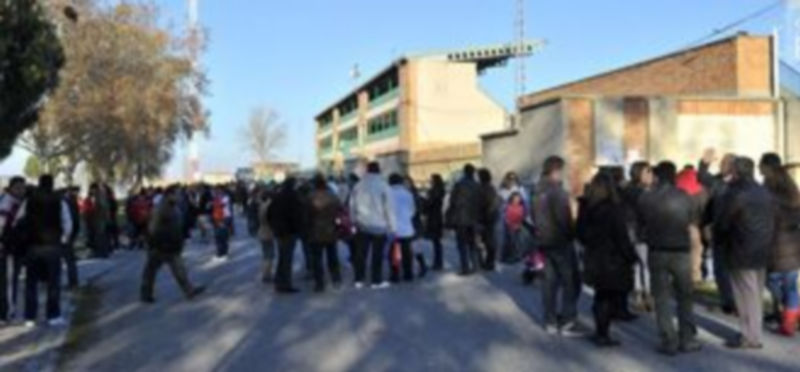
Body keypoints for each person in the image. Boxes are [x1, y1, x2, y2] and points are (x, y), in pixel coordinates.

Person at [638, 162, 700, 355]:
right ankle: (687, 338)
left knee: (662, 297)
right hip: (681, 250)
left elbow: (641, 225)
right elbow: (691, 222)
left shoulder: (646, 198)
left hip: (657, 250)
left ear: (656, 176)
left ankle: (668, 339)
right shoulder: (686, 197)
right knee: (685, 295)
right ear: (674, 176)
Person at [715, 157, 776, 349]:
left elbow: (725, 222)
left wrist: (719, 235)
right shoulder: (764, 191)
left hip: (742, 248)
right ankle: (754, 333)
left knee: (744, 296)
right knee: (755, 294)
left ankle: (749, 337)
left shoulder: (736, 193)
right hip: (763, 247)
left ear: (737, 171)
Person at [577, 173, 637, 347]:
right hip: (612, 259)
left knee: (600, 295)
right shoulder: (613, 209)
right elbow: (621, 237)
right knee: (608, 297)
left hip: (594, 257)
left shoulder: (586, 207)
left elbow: (580, 234)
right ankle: (603, 334)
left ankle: (600, 332)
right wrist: (630, 256)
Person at [533, 156, 583, 336]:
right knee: (571, 281)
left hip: (543, 241)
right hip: (560, 241)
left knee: (549, 283)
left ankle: (550, 320)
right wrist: (573, 234)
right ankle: (568, 320)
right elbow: (565, 219)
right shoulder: (557, 192)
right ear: (556, 170)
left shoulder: (537, 191)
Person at [13, 175, 72, 327]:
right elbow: (67, 224)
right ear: (52, 185)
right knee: (53, 282)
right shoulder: (60, 201)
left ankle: (30, 316)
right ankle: (53, 315)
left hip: (33, 247)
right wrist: (63, 240)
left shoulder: (29, 201)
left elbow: (18, 220)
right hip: (53, 246)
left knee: (31, 283)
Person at [140, 186, 205, 303]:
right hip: (160, 247)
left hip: (172, 247)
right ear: (169, 195)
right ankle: (146, 294)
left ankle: (189, 290)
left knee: (180, 270)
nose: (179, 197)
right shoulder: (161, 208)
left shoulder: (174, 207)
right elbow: (153, 228)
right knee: (150, 271)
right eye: (176, 194)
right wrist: (155, 243)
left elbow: (177, 226)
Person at [759, 153, 800, 336]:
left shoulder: (769, 189)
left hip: (776, 243)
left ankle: (789, 316)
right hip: (792, 242)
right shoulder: (791, 187)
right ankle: (790, 314)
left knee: (774, 280)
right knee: (789, 282)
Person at [698, 149, 738, 314]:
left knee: (734, 269)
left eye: (726, 163)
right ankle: (728, 300)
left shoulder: (741, 183)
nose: (722, 166)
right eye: (721, 162)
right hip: (718, 229)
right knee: (720, 268)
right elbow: (702, 177)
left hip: (736, 232)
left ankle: (735, 301)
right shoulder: (717, 181)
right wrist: (704, 164)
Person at [349, 162, 395, 289]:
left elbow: (352, 205)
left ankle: (359, 280)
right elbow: (389, 208)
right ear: (379, 170)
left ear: (367, 171)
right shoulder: (384, 185)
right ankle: (376, 280)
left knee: (361, 254)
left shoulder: (358, 185)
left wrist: (353, 221)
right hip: (379, 226)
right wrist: (392, 226)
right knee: (377, 254)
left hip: (362, 224)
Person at [622, 162, 653, 312]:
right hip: (640, 232)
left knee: (638, 265)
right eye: (648, 172)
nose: (651, 175)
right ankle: (645, 294)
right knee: (645, 265)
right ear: (639, 174)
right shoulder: (641, 193)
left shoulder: (628, 190)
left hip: (633, 232)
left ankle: (640, 294)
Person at [306, 175, 343, 292]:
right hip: (331, 229)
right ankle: (336, 278)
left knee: (317, 258)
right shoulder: (333, 196)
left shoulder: (309, 197)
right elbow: (340, 210)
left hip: (315, 231)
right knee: (332, 255)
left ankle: (319, 283)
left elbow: (305, 216)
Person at [268, 177, 305, 293]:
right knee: (287, 259)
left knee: (281, 257)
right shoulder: (294, 197)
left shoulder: (277, 196)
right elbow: (298, 215)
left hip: (279, 232)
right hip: (289, 232)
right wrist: (299, 230)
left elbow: (269, 213)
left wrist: (274, 227)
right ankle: (285, 284)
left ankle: (279, 281)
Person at [447, 164, 482, 275]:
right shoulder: (477, 185)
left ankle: (465, 267)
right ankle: (475, 265)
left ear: (464, 172)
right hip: (474, 218)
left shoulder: (459, 185)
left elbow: (453, 202)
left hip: (461, 219)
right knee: (472, 243)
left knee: (462, 244)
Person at [0, 176, 26, 324]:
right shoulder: (7, 203)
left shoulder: (16, 202)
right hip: (7, 249)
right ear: (11, 188)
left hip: (13, 248)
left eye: (23, 188)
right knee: (9, 282)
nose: (21, 190)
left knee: (10, 281)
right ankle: (6, 313)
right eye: (18, 188)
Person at [676, 166, 708, 284]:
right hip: (694, 226)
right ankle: (695, 277)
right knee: (696, 253)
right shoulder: (701, 190)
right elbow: (704, 209)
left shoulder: (675, 186)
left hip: (675, 226)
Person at [388, 174, 417, 282]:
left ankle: (395, 275)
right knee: (407, 252)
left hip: (394, 228)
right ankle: (408, 274)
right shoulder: (408, 194)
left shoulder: (388, 194)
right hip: (407, 228)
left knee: (395, 252)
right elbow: (412, 210)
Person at [478, 168, 501, 271]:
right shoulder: (490, 188)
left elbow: (488, 204)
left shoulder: (484, 188)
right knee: (488, 242)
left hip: (485, 218)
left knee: (486, 242)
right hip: (489, 218)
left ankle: (488, 262)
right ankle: (488, 262)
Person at [424, 174, 446, 271]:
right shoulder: (440, 190)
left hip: (433, 217)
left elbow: (430, 203)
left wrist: (424, 201)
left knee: (436, 242)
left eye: (431, 180)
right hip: (438, 217)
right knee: (437, 242)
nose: (430, 181)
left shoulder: (434, 191)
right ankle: (438, 262)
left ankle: (438, 263)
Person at [62, 186, 81, 290]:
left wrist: (68, 234)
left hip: (66, 235)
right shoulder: (72, 201)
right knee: (70, 259)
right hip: (70, 233)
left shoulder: (66, 202)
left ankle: (72, 282)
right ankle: (73, 281)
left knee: (69, 259)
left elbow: (71, 220)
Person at [257, 188, 276, 283]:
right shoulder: (268, 206)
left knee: (265, 255)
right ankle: (267, 275)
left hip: (262, 231)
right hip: (268, 232)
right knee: (270, 255)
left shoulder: (261, 205)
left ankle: (266, 274)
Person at [503, 192, 526, 264]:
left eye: (518, 198)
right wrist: (510, 224)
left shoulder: (521, 207)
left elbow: (523, 217)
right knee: (512, 242)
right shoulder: (508, 207)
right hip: (510, 227)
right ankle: (512, 256)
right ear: (512, 199)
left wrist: (519, 224)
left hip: (519, 226)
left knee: (518, 242)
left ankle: (518, 256)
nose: (517, 200)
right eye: (515, 198)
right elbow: (506, 217)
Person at [211, 185, 232, 260]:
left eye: (218, 190)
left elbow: (220, 205)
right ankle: (221, 252)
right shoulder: (217, 198)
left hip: (223, 218)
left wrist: (215, 201)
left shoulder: (225, 198)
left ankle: (223, 253)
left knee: (222, 236)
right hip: (218, 218)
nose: (216, 192)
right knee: (219, 236)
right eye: (216, 190)